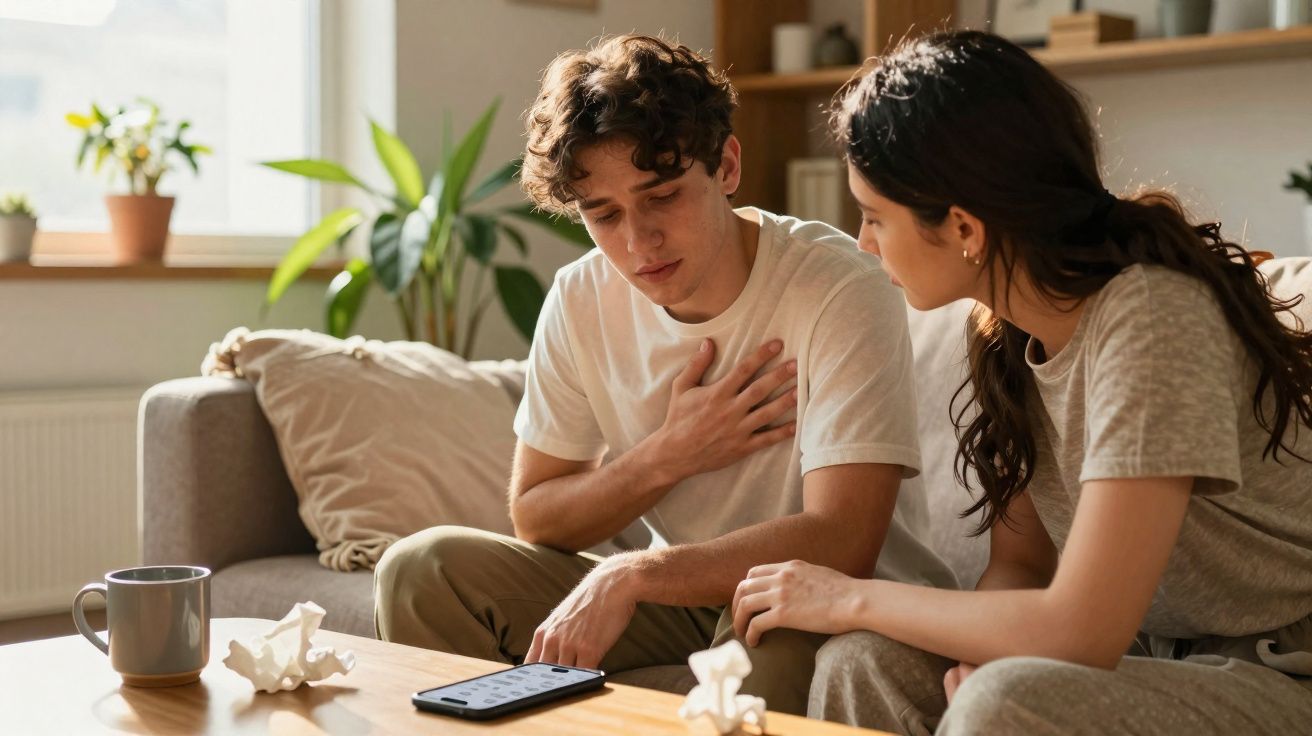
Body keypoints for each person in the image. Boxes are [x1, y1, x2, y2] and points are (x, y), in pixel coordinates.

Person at [730, 29, 1312, 734]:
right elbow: (1023, 569)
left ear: (964, 226)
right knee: (863, 660)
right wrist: (994, 643)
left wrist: (845, 596)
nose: (864, 244)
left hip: (1279, 668)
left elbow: (1081, 626)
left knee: (996, 701)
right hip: (1152, 657)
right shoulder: (1009, 333)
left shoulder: (1154, 318)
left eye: (876, 217)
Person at [373, 34, 954, 714]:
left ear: (727, 166)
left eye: (663, 196)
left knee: (780, 622)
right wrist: (667, 456)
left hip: (819, 597)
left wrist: (632, 574)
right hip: (682, 596)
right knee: (421, 571)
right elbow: (537, 515)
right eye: (604, 214)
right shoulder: (580, 297)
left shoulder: (835, 287)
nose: (637, 242)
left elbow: (843, 540)